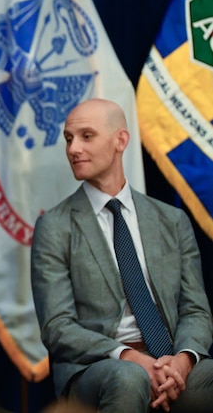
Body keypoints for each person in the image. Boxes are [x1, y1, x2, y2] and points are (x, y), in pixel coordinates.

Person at [31, 98, 213, 412]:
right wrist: (128, 356)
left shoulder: (172, 220)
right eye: (69, 139)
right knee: (129, 378)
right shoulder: (55, 226)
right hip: (97, 366)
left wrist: (183, 360)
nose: (73, 148)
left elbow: (196, 310)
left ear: (121, 140)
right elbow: (57, 327)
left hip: (170, 360)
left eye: (87, 136)